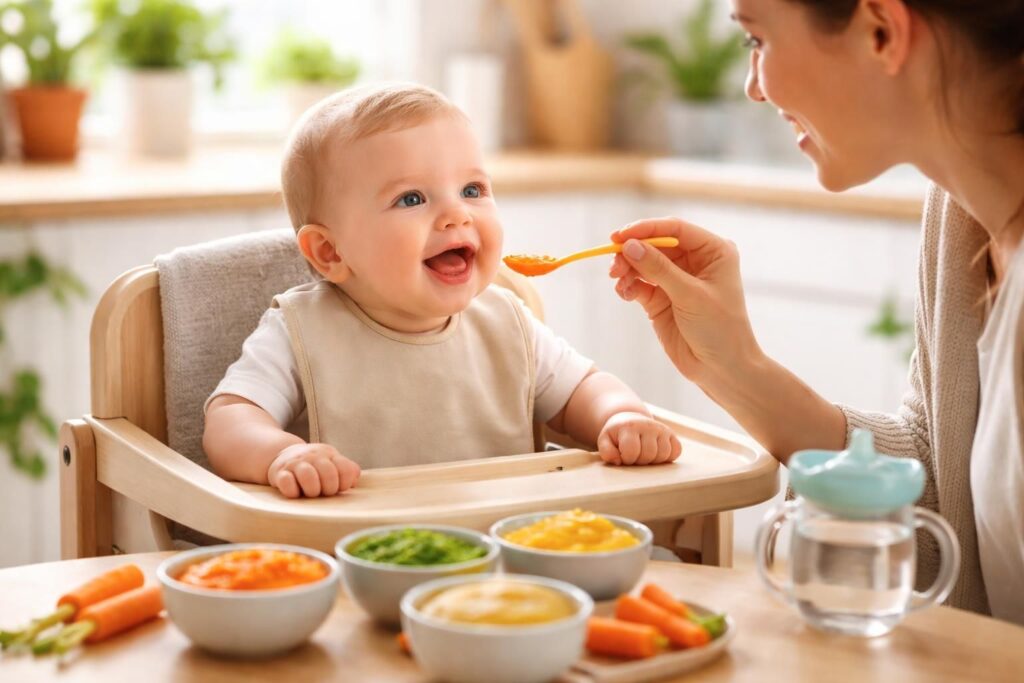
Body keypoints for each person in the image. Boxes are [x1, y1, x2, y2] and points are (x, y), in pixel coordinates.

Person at [609, 0, 1024, 624]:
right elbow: (943, 503)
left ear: (880, 31)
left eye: (757, 40)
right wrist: (734, 367)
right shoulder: (961, 216)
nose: (753, 87)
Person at [202, 84, 681, 501]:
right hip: (363, 555)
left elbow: (584, 388)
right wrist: (282, 456)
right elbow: (230, 420)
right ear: (329, 252)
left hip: (504, 555)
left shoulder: (506, 322)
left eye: (472, 189)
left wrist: (619, 418)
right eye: (411, 198)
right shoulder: (299, 332)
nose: (458, 214)